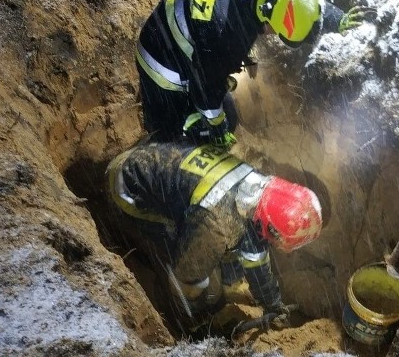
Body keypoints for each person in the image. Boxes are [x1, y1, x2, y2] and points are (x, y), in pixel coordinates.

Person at [135, 0, 375, 148]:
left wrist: (337, 19)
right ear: (267, 15)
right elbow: (204, 89)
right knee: (187, 132)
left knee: (223, 109)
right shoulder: (225, 32)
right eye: (276, 30)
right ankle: (165, 140)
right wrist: (217, 130)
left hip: (175, 35)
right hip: (160, 62)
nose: (272, 35)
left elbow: (300, 0)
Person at [105, 141, 323, 333]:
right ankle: (182, 319)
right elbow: (187, 277)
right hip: (127, 188)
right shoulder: (216, 223)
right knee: (188, 271)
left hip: (149, 157)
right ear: (270, 227)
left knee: (225, 243)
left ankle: (217, 287)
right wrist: (200, 311)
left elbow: (255, 254)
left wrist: (273, 304)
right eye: (277, 240)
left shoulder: (256, 187)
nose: (275, 245)